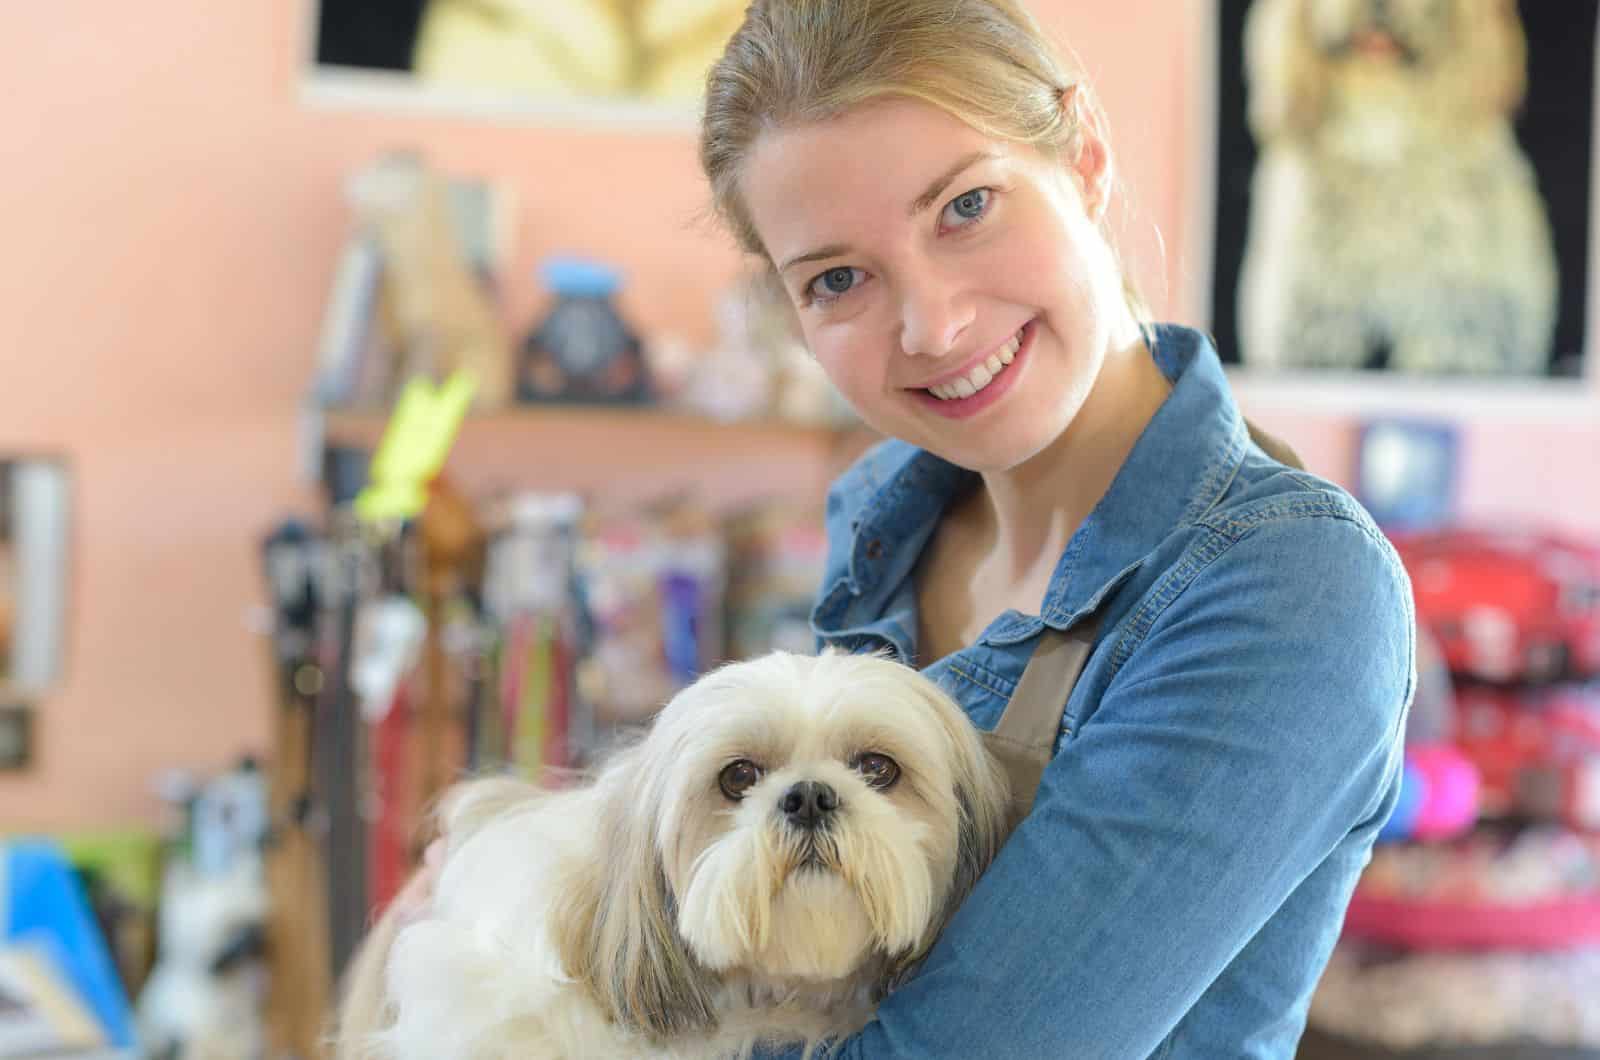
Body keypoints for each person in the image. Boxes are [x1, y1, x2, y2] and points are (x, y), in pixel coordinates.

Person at [394, 1, 1413, 1055]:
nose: (932, 325)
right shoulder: (885, 519)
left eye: (965, 206)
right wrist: (502, 899)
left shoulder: (1287, 587)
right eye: (837, 279)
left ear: (1085, 155)